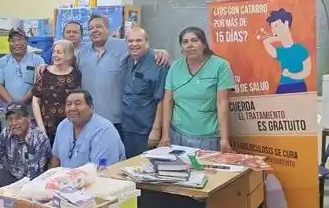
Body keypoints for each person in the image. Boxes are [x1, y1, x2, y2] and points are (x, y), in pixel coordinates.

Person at [38, 15, 168, 132]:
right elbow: (64, 68)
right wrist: (46, 67)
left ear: (108, 29)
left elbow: (140, 49)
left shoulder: (123, 46)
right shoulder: (83, 53)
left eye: (99, 26)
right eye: (91, 28)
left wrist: (160, 52)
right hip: (88, 119)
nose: (94, 30)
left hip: (117, 121)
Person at [161, 27, 235, 152]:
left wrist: (224, 139)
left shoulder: (220, 66)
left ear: (204, 44)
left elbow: (222, 103)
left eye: (194, 40)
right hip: (178, 134)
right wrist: (165, 135)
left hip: (208, 137)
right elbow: (168, 101)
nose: (189, 45)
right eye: (185, 42)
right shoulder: (175, 67)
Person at [0, 102, 51, 207]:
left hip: (33, 184)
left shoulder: (39, 138)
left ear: (28, 118)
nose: (14, 123)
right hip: (13, 176)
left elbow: (33, 176)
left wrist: (7, 195)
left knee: (17, 201)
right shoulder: (7, 132)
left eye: (18, 118)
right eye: (10, 119)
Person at [121, 28, 168, 158]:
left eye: (138, 40)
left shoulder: (158, 63)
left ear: (147, 42)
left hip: (146, 130)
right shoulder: (128, 60)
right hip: (127, 127)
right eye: (130, 41)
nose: (134, 44)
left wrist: (156, 130)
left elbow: (162, 99)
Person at [51, 90, 125, 168]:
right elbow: (56, 158)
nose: (72, 108)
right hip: (64, 178)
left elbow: (101, 171)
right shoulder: (63, 125)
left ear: (91, 107)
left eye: (78, 103)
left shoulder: (105, 130)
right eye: (69, 104)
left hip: (96, 178)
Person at [31, 39, 81, 146]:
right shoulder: (44, 73)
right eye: (54, 52)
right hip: (46, 127)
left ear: (68, 55)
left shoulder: (76, 74)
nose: (55, 55)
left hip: (69, 126)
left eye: (59, 52)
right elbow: (35, 101)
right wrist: (41, 127)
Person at [0, 28, 45, 128]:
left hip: (31, 113)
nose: (16, 43)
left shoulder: (37, 60)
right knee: (10, 141)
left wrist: (21, 104)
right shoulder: (2, 61)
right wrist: (13, 104)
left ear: (26, 41)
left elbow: (39, 84)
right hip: (9, 113)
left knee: (31, 141)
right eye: (12, 40)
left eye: (20, 39)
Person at [261, 8, 312, 94]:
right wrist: (275, 37)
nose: (274, 31)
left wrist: (290, 75)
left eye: (276, 26)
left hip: (299, 86)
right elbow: (266, 42)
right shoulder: (280, 52)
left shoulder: (301, 50)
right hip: (283, 87)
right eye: (272, 28)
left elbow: (306, 72)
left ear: (286, 24)